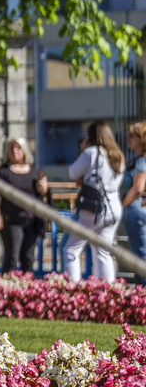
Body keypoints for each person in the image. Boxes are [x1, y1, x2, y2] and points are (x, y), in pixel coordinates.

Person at [64, 121, 125, 283]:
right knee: (103, 252)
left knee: (71, 249)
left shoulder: (91, 152)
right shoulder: (117, 155)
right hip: (113, 208)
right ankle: (106, 293)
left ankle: (72, 290)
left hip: (92, 208)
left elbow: (72, 172)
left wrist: (83, 151)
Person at [0, 137, 51, 274]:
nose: (14, 151)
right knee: (12, 258)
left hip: (31, 220)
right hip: (11, 220)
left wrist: (44, 191)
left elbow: (43, 198)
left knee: (28, 259)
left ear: (24, 151)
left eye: (18, 148)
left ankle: (27, 291)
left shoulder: (35, 172)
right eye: (11, 148)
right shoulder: (2, 172)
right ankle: (7, 291)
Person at [121, 121, 146, 281]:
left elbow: (138, 188)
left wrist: (121, 206)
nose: (127, 138)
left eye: (132, 135)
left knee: (139, 258)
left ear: (142, 138)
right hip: (138, 211)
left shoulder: (141, 161)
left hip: (135, 212)